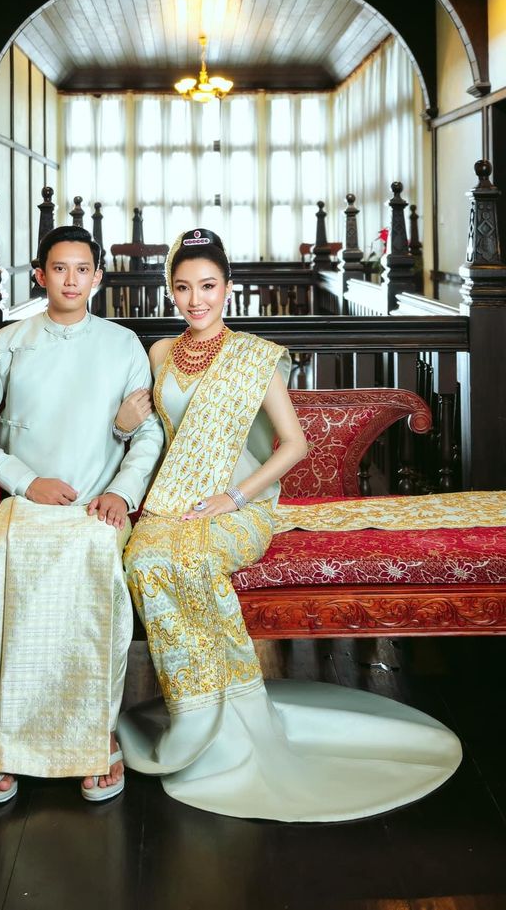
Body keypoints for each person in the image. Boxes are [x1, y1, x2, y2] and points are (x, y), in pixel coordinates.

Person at [117, 227, 464, 821]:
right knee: (146, 559)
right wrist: (126, 423)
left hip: (238, 508)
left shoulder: (255, 356)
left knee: (191, 560)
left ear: (228, 287)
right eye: (182, 288)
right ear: (169, 292)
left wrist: (235, 495)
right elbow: (150, 436)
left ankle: (222, 722)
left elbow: (295, 444)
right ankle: (198, 710)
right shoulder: (158, 356)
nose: (195, 299)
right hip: (169, 502)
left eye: (207, 286)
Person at [0, 225, 164, 804]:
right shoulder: (9, 341)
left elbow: (150, 432)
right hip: (26, 503)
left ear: (97, 278)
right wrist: (26, 481)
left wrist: (122, 493)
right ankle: (10, 739)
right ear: (40, 275)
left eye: (82, 269)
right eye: (58, 269)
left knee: (93, 575)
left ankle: (96, 737)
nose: (70, 280)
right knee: (5, 575)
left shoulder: (122, 344)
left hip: (97, 505)